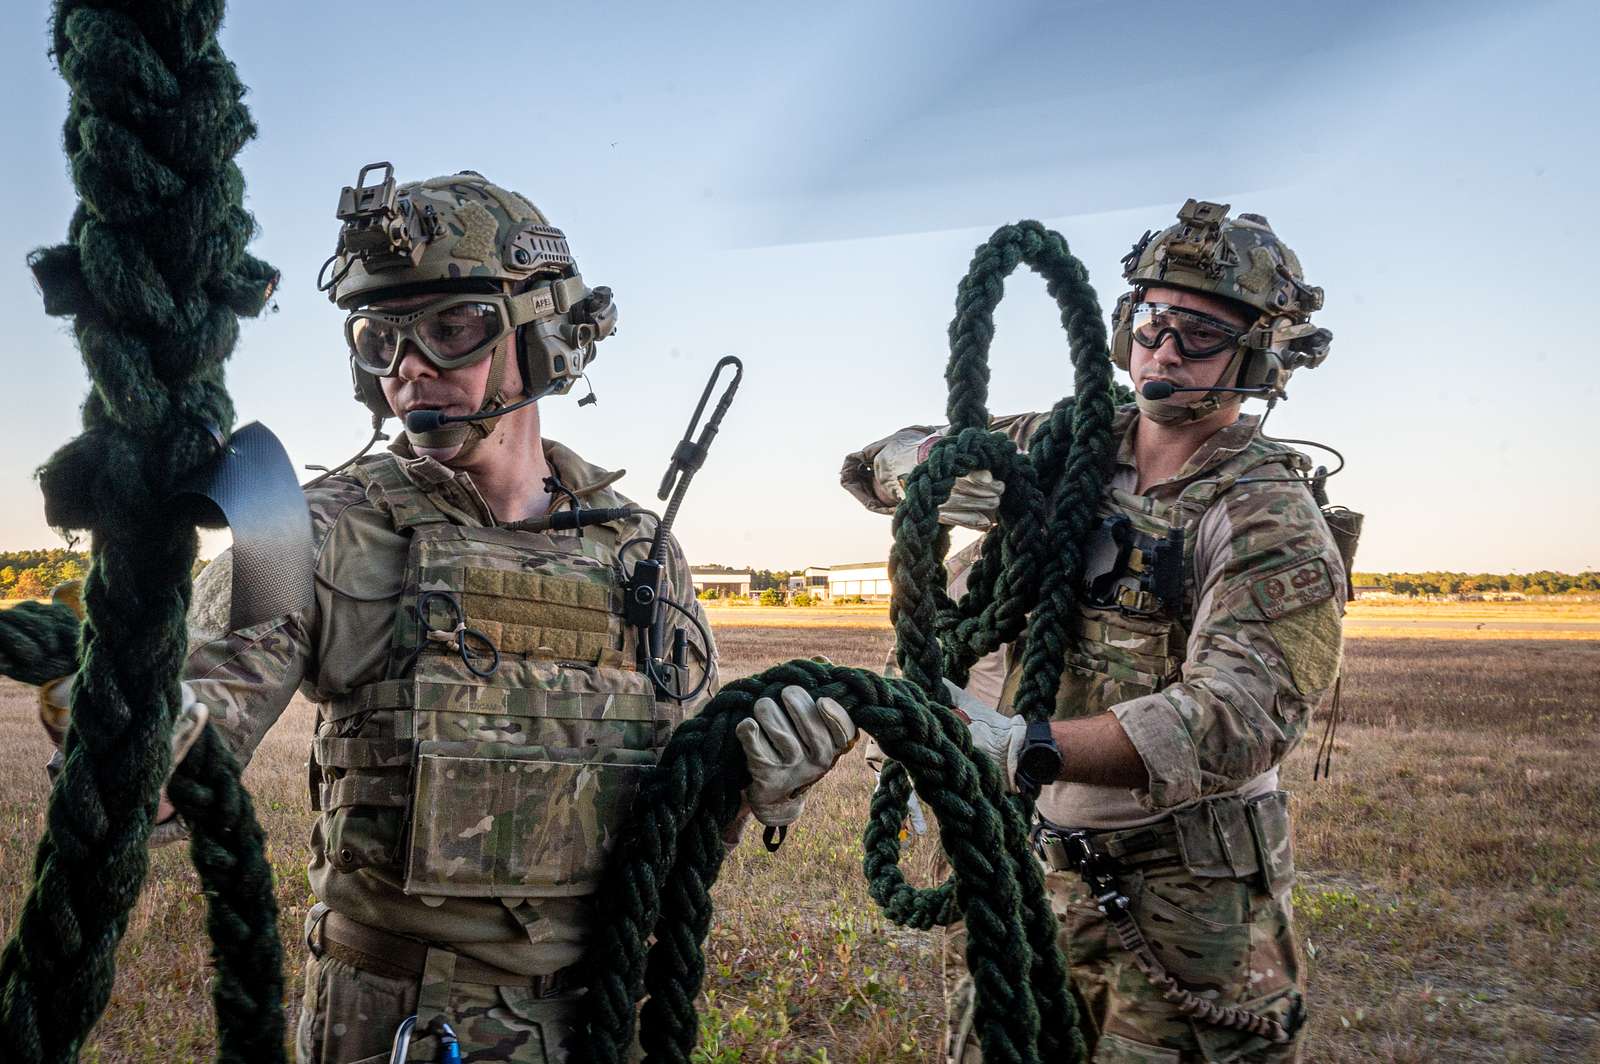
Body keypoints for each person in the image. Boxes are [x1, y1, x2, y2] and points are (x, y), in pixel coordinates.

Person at [35, 164, 855, 1063]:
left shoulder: (638, 551)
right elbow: (180, 752)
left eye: (451, 329)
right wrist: (123, 704)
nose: (410, 369)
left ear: (546, 338)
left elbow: (669, 809)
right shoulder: (307, 533)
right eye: (379, 338)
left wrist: (759, 784)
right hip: (406, 1029)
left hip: (607, 1018)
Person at [841, 200, 1350, 1063]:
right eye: (1152, 322)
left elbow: (1242, 717)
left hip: (1191, 896)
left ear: (1258, 355)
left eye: (1199, 333)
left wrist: (1021, 745)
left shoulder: (1265, 512)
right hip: (1038, 867)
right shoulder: (1071, 440)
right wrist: (935, 464)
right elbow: (873, 466)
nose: (1166, 351)